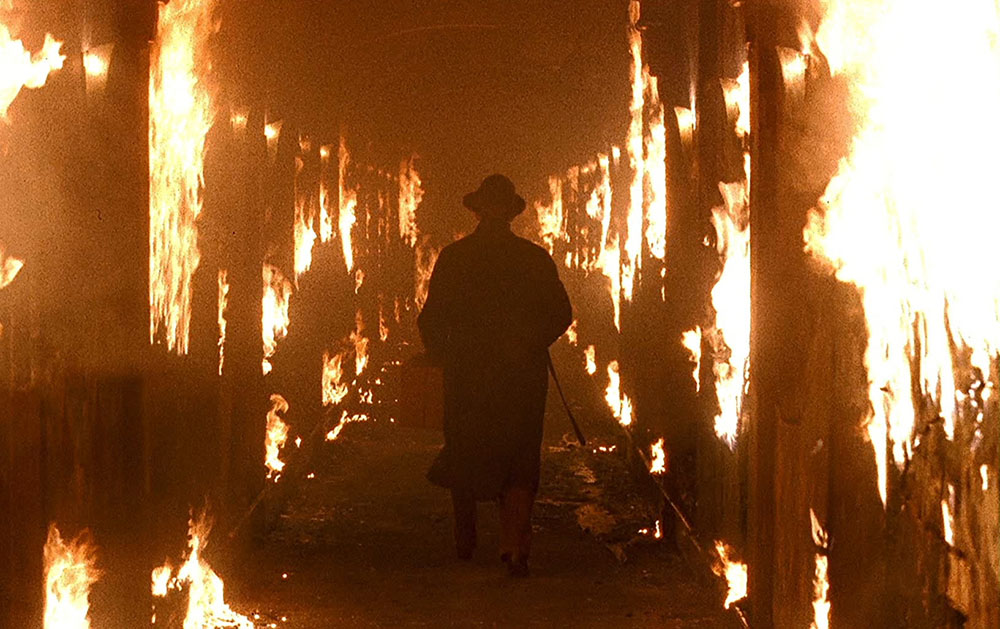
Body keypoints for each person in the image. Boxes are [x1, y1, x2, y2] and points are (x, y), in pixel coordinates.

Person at [417, 174, 572, 577]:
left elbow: (431, 319)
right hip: (521, 376)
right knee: (519, 456)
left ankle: (466, 536)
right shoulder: (534, 259)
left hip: (468, 375)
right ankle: (514, 546)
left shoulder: (455, 258)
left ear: (478, 212)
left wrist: (442, 354)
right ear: (509, 214)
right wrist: (529, 342)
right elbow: (561, 314)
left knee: (466, 448)